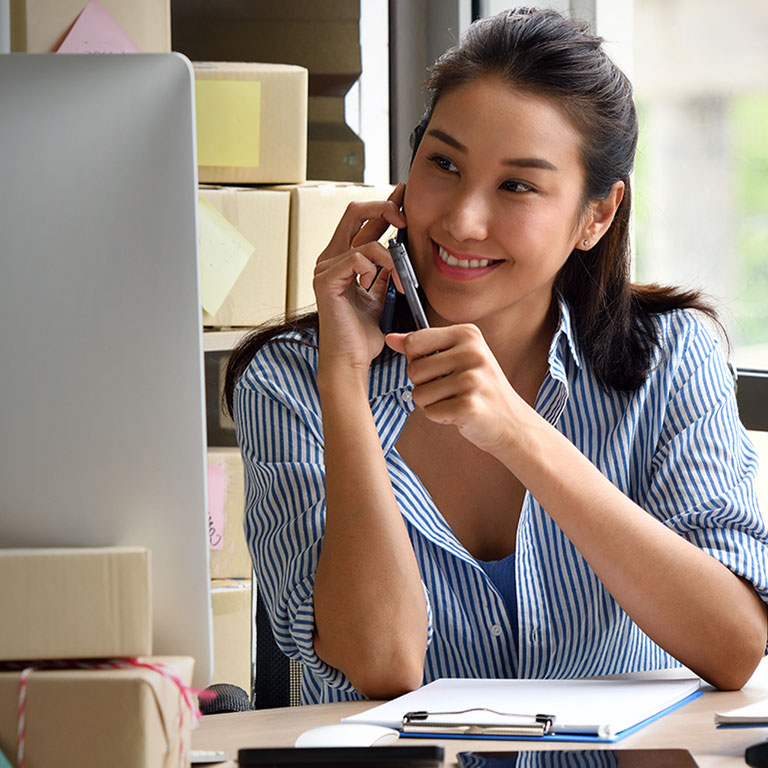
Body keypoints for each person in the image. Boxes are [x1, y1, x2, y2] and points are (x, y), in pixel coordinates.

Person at [225, 7, 768, 705]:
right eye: (443, 165)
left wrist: (518, 432)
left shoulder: (671, 356)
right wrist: (345, 377)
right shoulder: (293, 378)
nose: (460, 220)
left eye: (517, 185)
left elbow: (733, 645)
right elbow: (382, 664)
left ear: (595, 216)